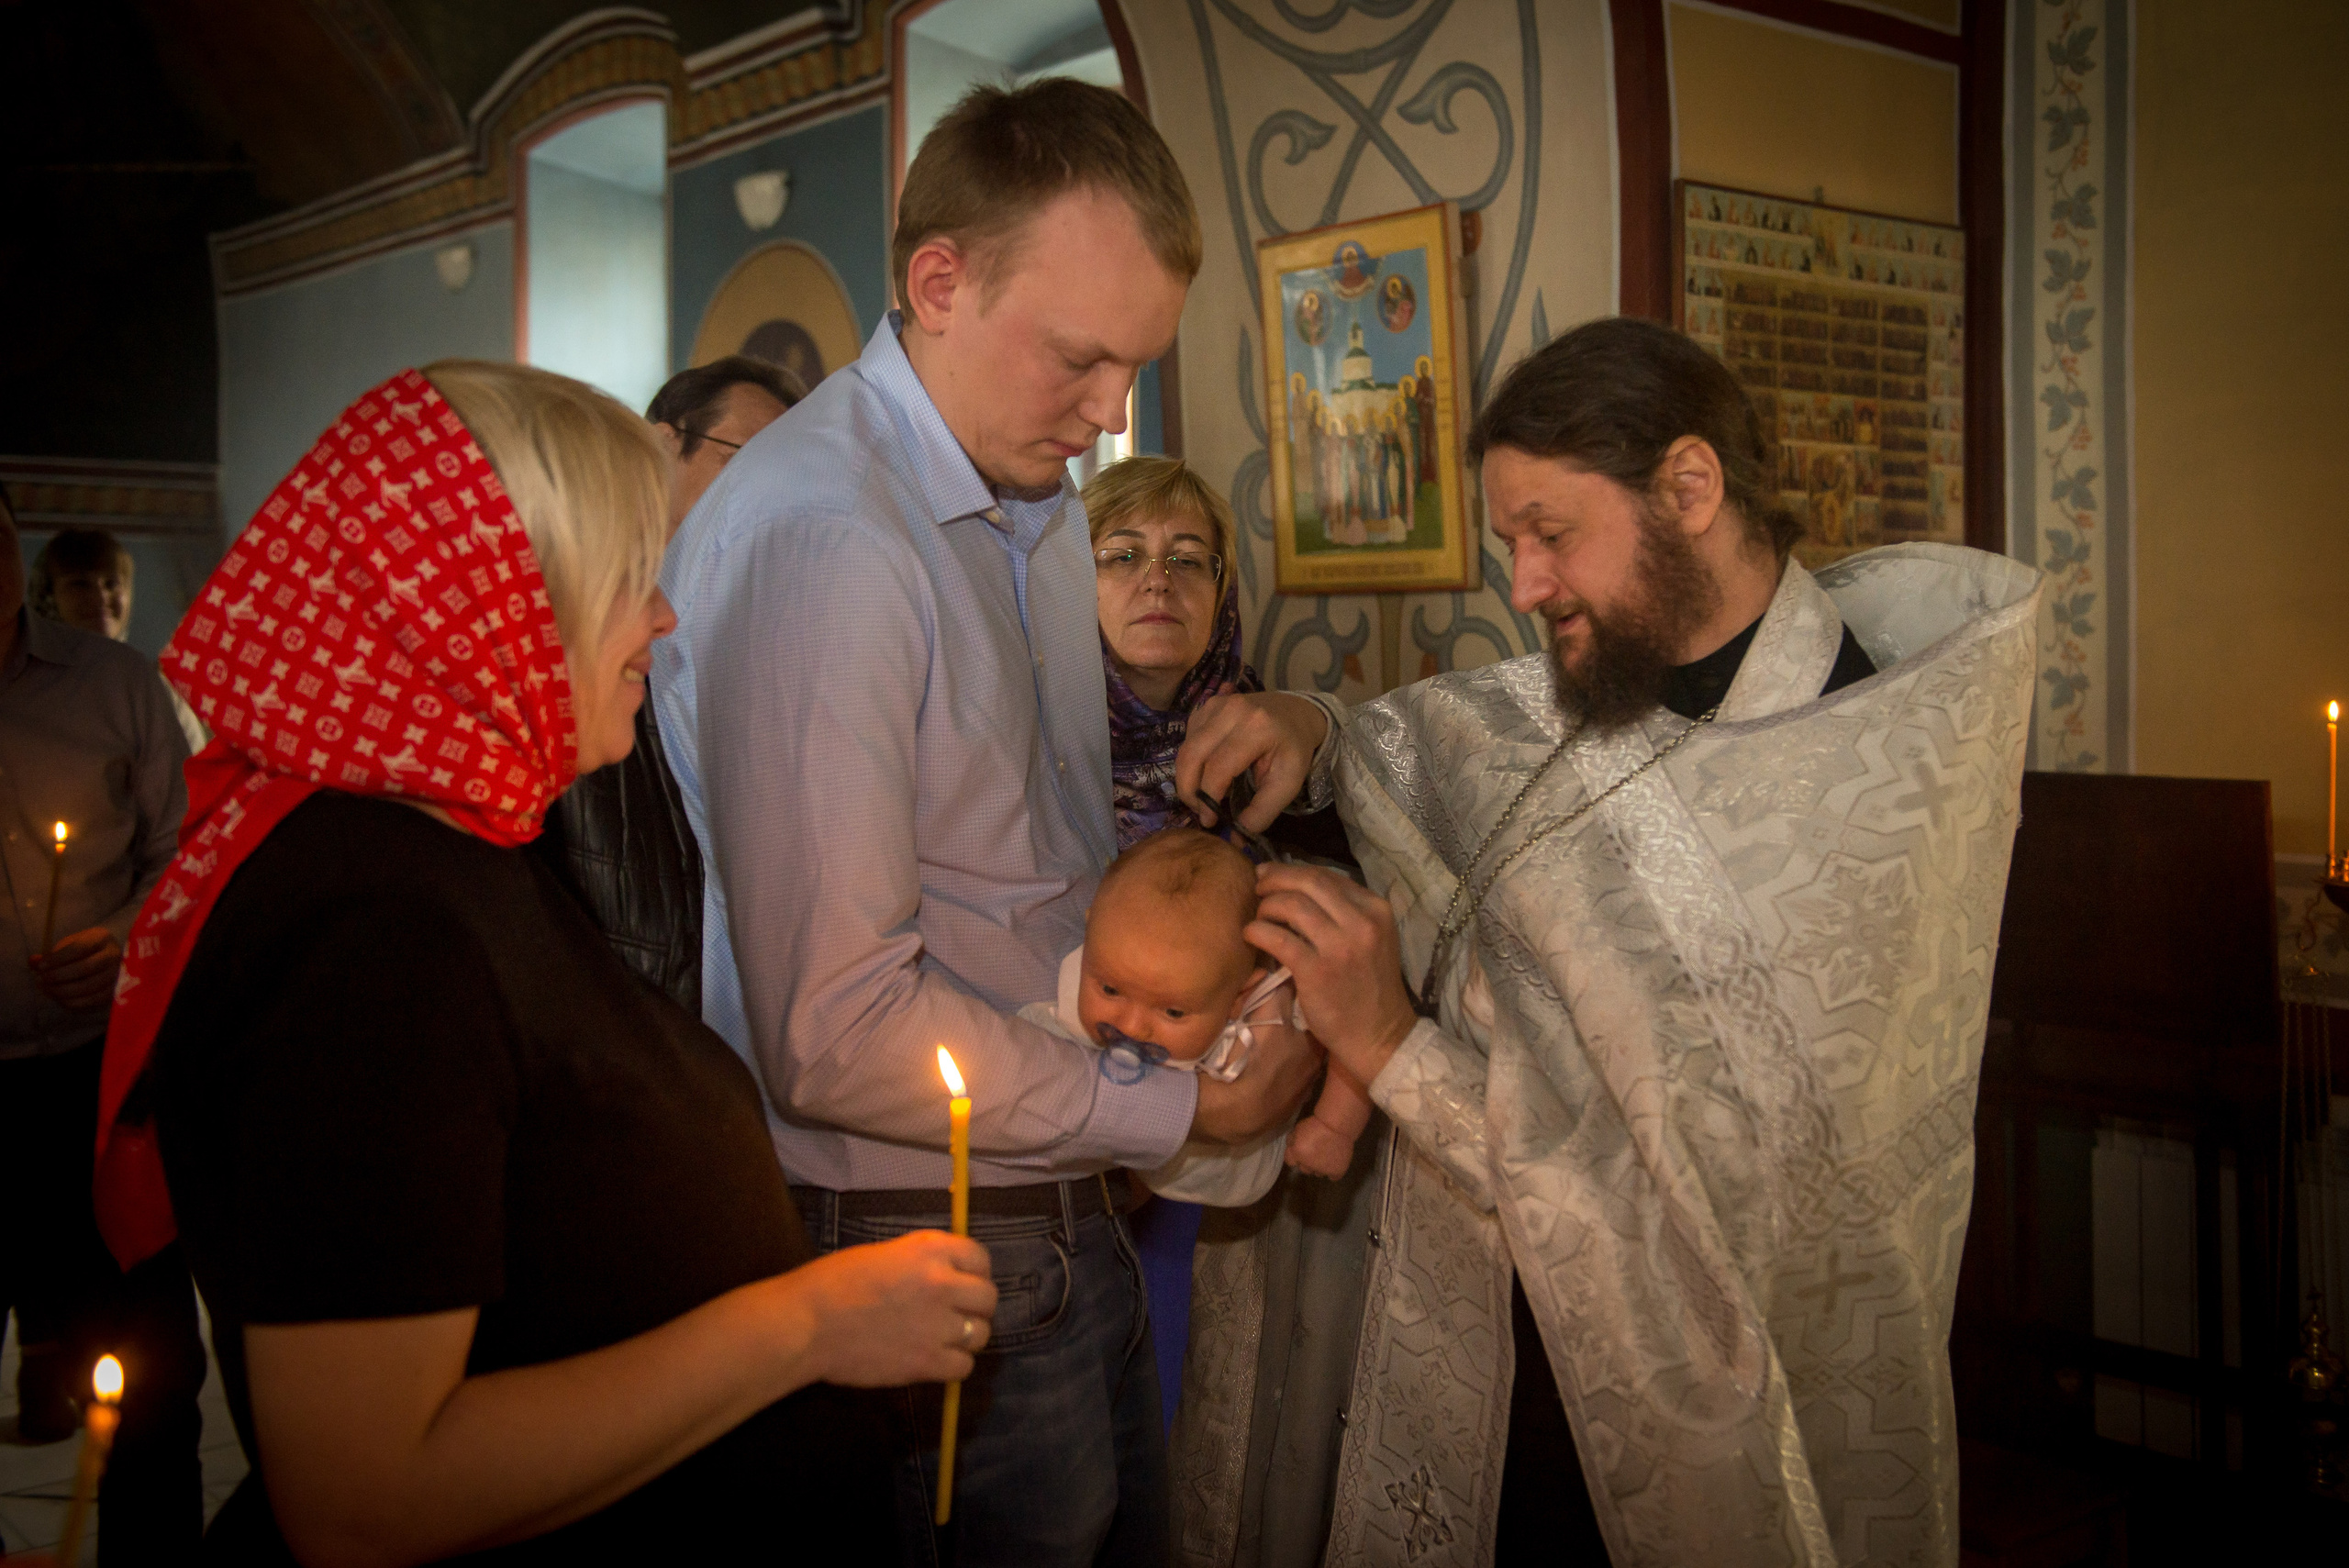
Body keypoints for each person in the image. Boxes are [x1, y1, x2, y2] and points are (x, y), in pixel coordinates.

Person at [1169, 317, 2043, 1566]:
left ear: (1691, 487)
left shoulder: (1859, 795)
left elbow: (1702, 1216)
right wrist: (1308, 721)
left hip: (1660, 1428)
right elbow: (1429, 749)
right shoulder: (1607, 680)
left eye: (1550, 536)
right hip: (1486, 1365)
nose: (1521, 586)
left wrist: (1387, 1042)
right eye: (1510, 543)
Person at [90, 364, 998, 1563]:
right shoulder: (368, 931)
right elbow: (366, 1492)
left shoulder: (451, 843)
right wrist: (808, 1324)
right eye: (630, 579)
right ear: (487, 602)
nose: (664, 617)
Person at [654, 79, 1322, 1567]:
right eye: (1080, 359)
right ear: (939, 282)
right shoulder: (835, 536)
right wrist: (1178, 1105)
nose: (1107, 413)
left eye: (1131, 367)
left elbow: (1035, 864)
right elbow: (828, 1023)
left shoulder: (1026, 496)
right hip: (907, 1216)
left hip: (1047, 1181)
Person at [0, 483, 206, 1562]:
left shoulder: (119, 686)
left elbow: (187, 854)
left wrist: (129, 929)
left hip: (98, 1077)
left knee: (149, 1369)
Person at [530, 355, 801, 1012]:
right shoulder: (572, 676)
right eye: (743, 458)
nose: (764, 493)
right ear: (665, 442)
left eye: (784, 471)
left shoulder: (776, 637)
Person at [31, 524, 209, 752]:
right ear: (48, 596)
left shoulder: (153, 691)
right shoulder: (29, 692)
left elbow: (193, 773)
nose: (100, 597)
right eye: (79, 584)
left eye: (112, 583)